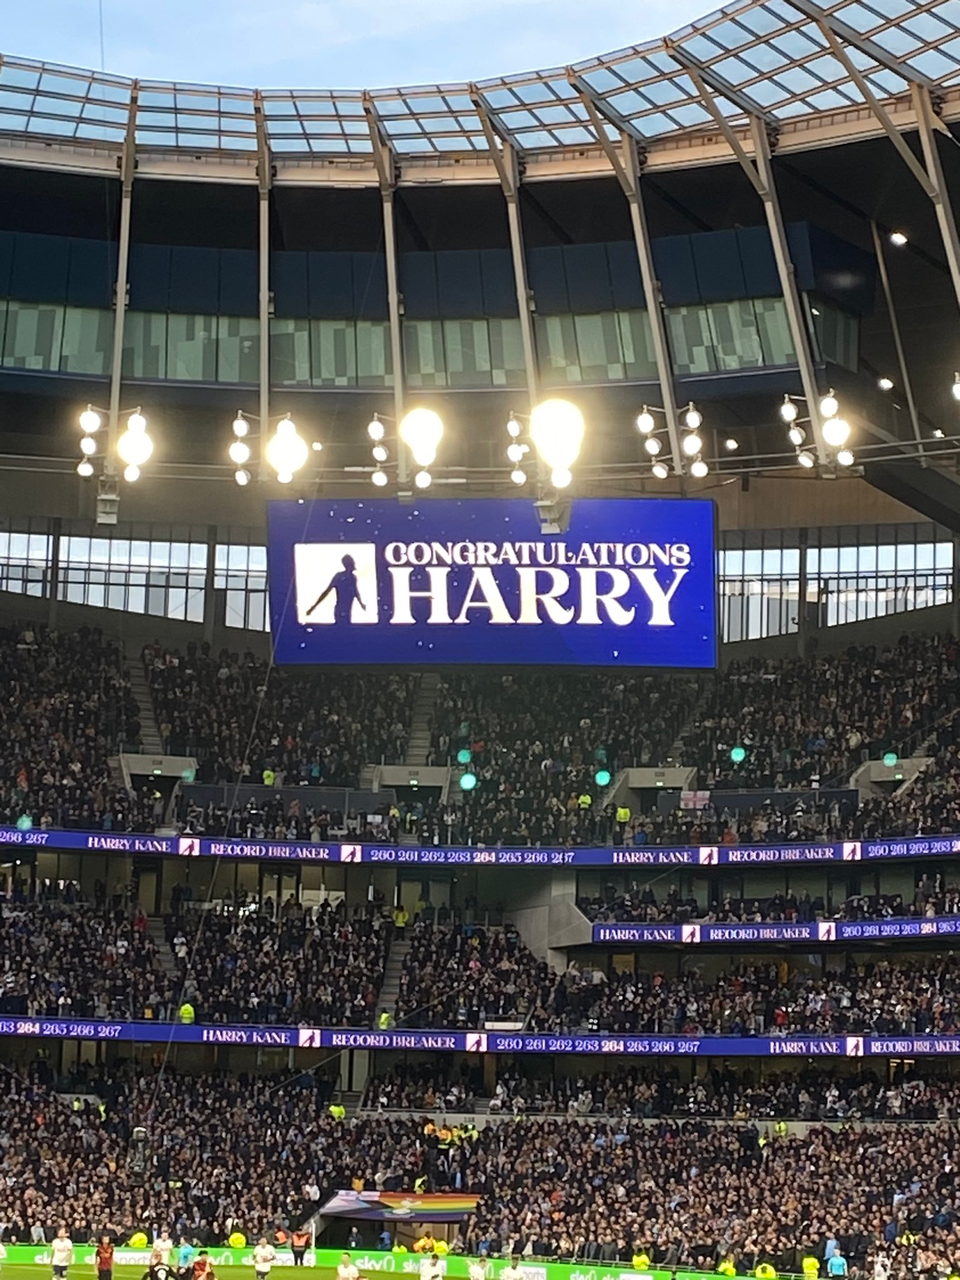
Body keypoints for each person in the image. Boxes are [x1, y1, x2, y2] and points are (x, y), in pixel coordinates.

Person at [307, 555, 367, 623]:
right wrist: (313, 607)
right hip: (340, 610)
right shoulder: (339, 576)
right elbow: (327, 592)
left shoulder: (352, 578)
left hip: (347, 610)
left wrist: (362, 604)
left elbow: (356, 592)